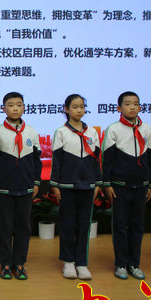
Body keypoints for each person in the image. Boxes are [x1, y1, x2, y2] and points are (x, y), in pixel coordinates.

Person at [101, 91, 151, 280]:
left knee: (137, 226)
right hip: (119, 186)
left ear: (140, 107)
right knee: (120, 226)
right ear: (119, 108)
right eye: (127, 104)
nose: (132, 107)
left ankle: (134, 264)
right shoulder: (114, 129)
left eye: (135, 104)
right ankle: (121, 264)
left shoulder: (148, 130)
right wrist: (107, 184)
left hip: (141, 186)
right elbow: (107, 160)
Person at [0, 92, 41, 281]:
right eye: (10, 105)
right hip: (4, 188)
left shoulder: (31, 132)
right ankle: (5, 264)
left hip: (26, 188)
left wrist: (37, 181)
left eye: (19, 105)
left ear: (24, 108)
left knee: (23, 228)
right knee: (5, 227)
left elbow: (37, 160)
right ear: (3, 109)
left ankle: (19, 263)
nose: (15, 108)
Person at [50, 94, 101, 280]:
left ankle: (81, 263)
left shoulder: (92, 132)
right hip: (67, 185)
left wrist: (97, 182)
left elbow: (97, 160)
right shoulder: (61, 132)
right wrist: (55, 184)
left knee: (84, 225)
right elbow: (57, 161)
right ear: (66, 109)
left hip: (87, 186)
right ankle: (68, 262)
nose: (79, 110)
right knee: (67, 225)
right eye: (75, 107)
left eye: (82, 107)